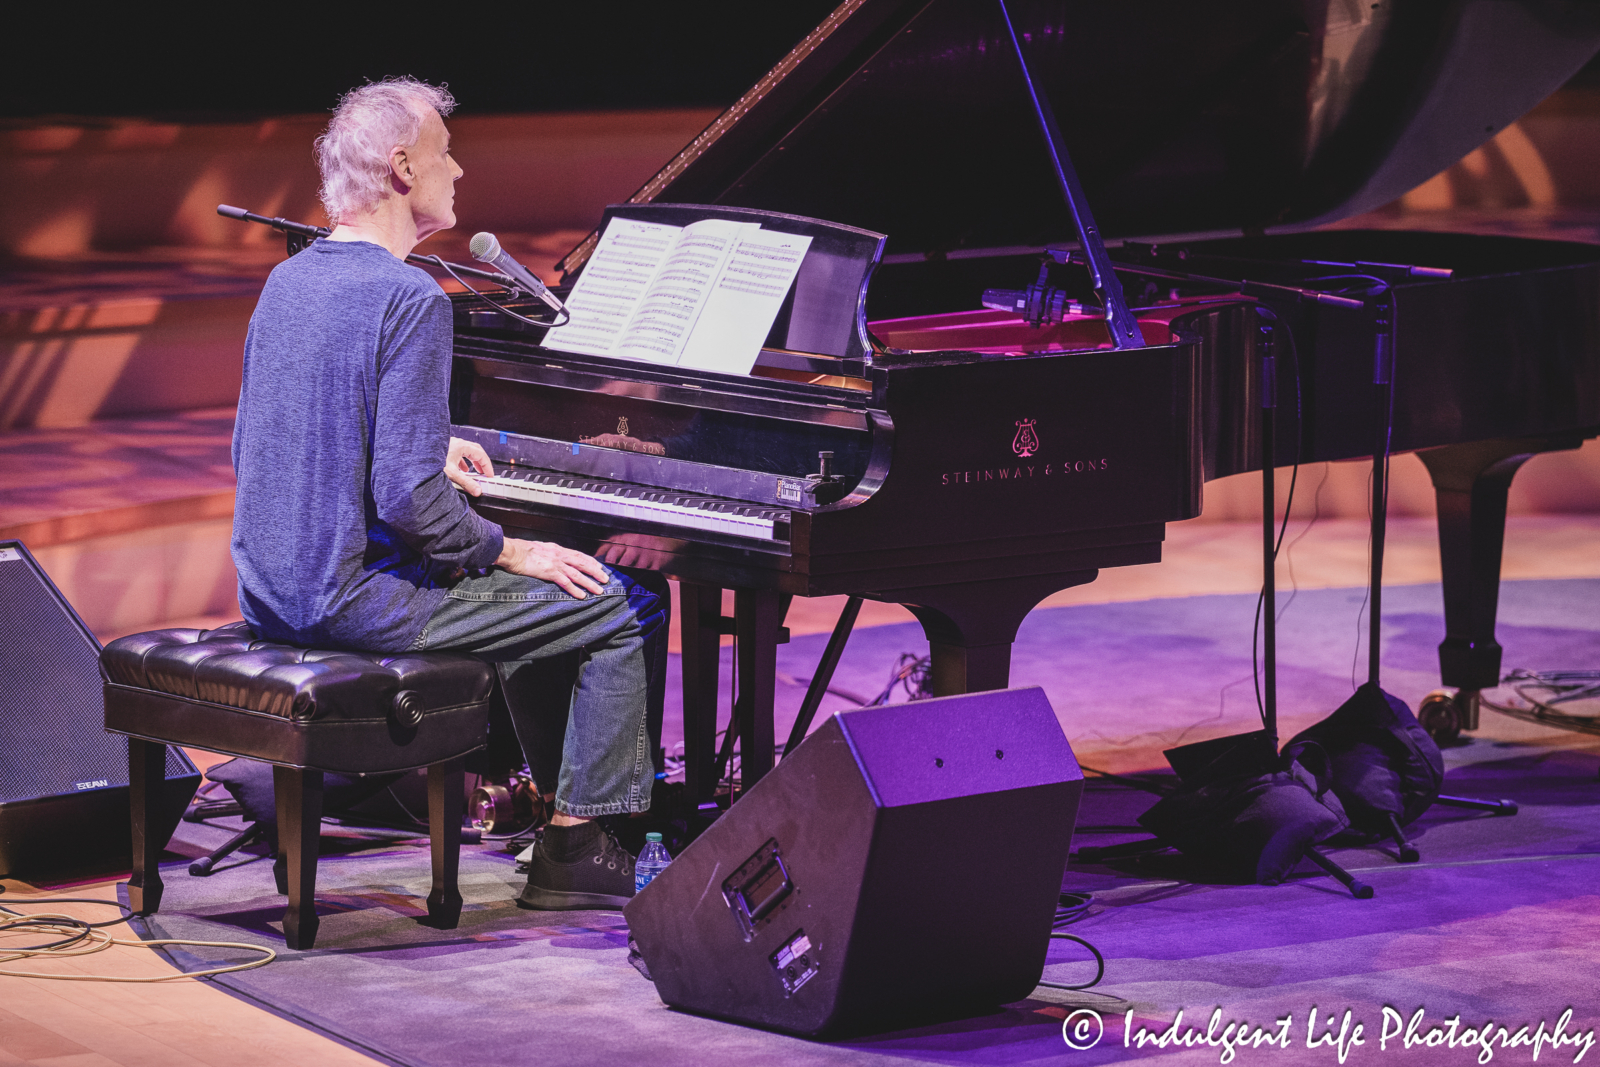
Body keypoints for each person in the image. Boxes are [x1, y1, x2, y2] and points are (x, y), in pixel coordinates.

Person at [230, 76, 663, 911]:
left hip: (271, 592)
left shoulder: (290, 282)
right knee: (625, 599)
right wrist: (511, 548)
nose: (458, 170)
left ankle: (554, 799)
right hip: (352, 603)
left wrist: (424, 439)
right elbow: (407, 502)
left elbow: (263, 444)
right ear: (401, 168)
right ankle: (576, 845)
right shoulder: (410, 298)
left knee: (543, 589)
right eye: (443, 152)